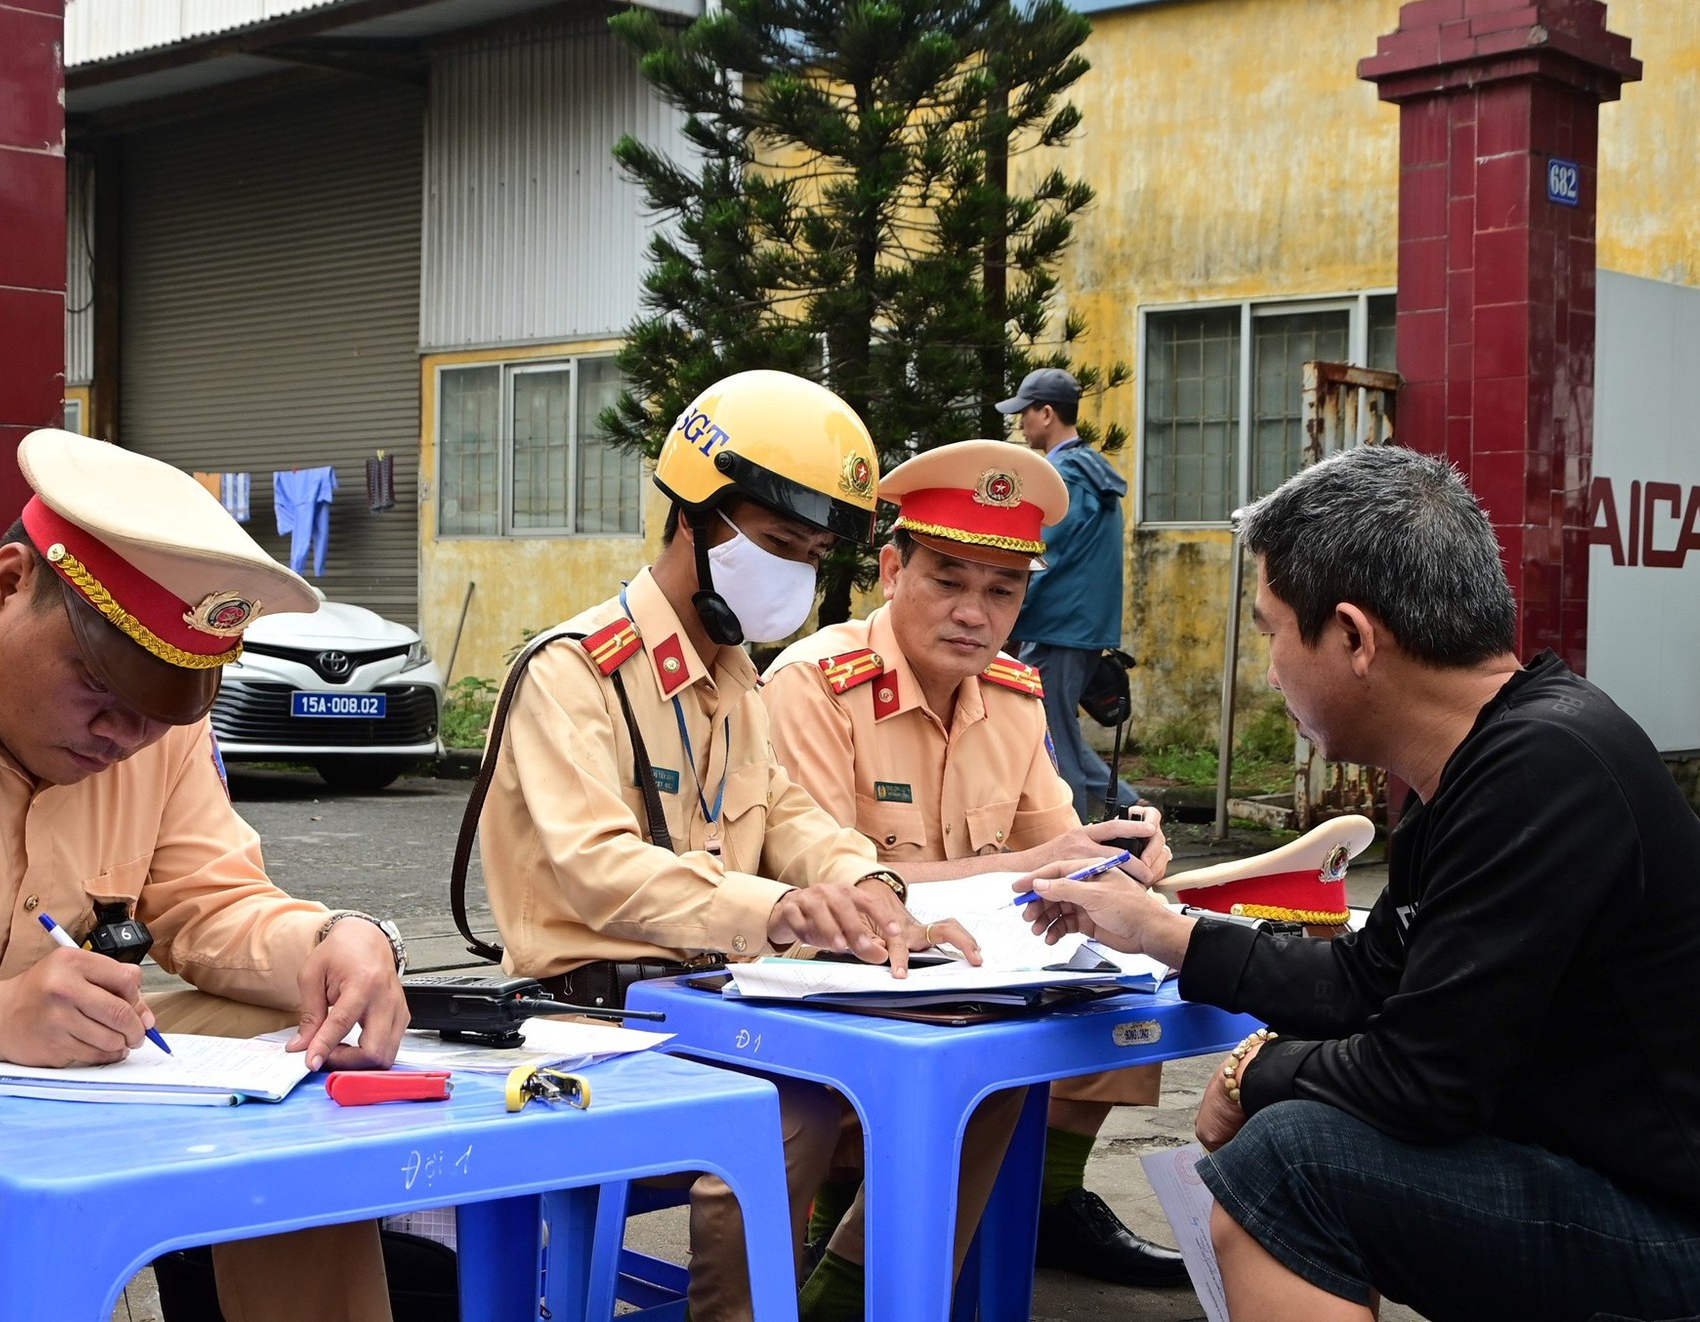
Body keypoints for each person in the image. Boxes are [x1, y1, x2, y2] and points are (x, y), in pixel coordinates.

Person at [1018, 444, 1700, 1322]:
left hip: (1686, 1236)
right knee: (1301, 1140)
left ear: (1353, 636)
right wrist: (1164, 930)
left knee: (1291, 1166)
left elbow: (1423, 1079)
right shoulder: (1490, 757)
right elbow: (1369, 976)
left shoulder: (1543, 769)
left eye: (1273, 630)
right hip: (1615, 1179)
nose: (1271, 667)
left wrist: (1255, 1072)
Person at [0, 430, 412, 1322]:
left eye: (155, 714)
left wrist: (332, 941)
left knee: (296, 1034)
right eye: (99, 691)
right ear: (8, 586)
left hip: (56, 1067)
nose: (122, 739)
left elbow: (214, 902)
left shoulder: (151, 733)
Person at [475, 370, 978, 1321]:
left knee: (946, 1059)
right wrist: (777, 910)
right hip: (587, 1021)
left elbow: (788, 816)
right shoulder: (573, 672)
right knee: (791, 1110)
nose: (797, 571)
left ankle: (859, 1296)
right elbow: (597, 867)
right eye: (780, 544)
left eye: (817, 552)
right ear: (696, 518)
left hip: (711, 1005)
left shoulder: (735, 679)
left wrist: (872, 889)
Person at [761, 440, 1182, 1307]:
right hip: (825, 992)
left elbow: (1061, 855)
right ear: (890, 569)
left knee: (1118, 994)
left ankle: (1040, 1206)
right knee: (986, 1054)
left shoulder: (1015, 701)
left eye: (1001, 590)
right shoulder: (813, 685)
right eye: (947, 579)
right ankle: (851, 1266)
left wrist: (1117, 866)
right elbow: (838, 892)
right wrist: (1039, 863)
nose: (973, 614)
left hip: (961, 978)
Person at [998, 368, 1140, 815]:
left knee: (1054, 746)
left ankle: (1071, 845)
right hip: (1078, 626)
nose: (1021, 424)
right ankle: (1137, 811)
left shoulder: (1064, 475)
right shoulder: (1090, 468)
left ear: (1047, 413)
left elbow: (1041, 557)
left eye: (1025, 413)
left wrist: (1008, 618)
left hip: (1056, 627)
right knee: (1061, 733)